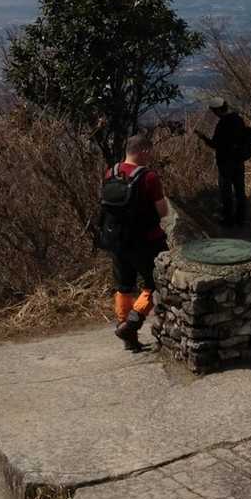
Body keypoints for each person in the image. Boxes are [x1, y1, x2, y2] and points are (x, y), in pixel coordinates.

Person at [98, 134, 171, 352]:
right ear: (143, 151)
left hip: (117, 240)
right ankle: (132, 323)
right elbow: (163, 211)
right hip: (146, 240)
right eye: (149, 151)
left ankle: (127, 335)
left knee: (124, 286)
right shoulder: (148, 177)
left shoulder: (111, 172)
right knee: (155, 283)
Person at [195, 101, 251, 230]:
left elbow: (215, 144)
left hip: (225, 163)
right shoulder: (238, 119)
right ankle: (241, 219)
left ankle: (228, 220)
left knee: (226, 191)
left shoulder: (222, 124)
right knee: (240, 190)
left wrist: (203, 137)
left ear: (218, 110)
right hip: (239, 160)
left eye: (214, 111)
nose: (214, 113)